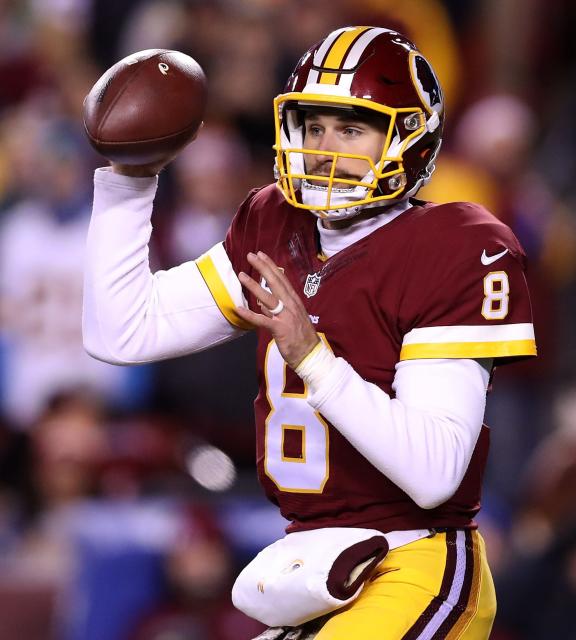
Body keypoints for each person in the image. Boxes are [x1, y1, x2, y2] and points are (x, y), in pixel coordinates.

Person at [82, 26, 537, 639]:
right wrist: (128, 180)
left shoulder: (455, 247)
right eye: (314, 126)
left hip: (416, 561)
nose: (325, 147)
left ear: (407, 135)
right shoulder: (275, 223)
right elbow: (122, 332)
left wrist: (314, 359)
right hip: (313, 565)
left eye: (351, 128)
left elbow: (435, 474)